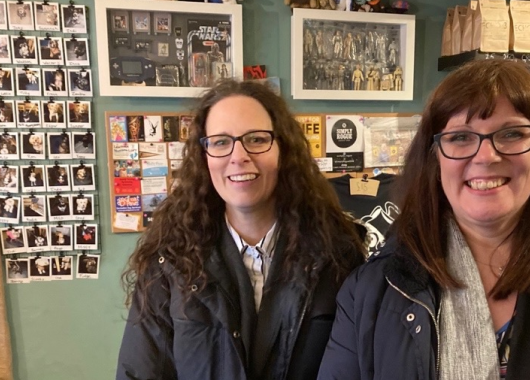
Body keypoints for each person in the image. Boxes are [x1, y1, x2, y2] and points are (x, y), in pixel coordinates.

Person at [318, 59, 530, 380]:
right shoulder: (371, 290)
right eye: (460, 138)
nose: (485, 156)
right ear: (434, 157)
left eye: (512, 133)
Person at [116, 79, 366, 380]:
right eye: (221, 142)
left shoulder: (337, 254)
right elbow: (140, 372)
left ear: (283, 149)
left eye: (257, 139)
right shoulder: (168, 259)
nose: (239, 156)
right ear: (204, 156)